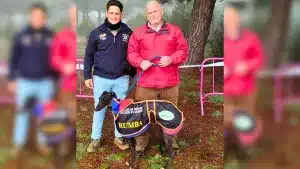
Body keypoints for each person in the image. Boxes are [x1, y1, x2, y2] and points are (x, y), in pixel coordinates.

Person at [127, 0, 188, 154]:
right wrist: (140, 62)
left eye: (155, 11)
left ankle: (170, 141)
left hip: (169, 83)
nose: (152, 15)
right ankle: (141, 142)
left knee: (170, 114)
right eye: (149, 13)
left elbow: (183, 51)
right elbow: (131, 53)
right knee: (142, 114)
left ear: (161, 11)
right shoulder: (138, 33)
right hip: (145, 83)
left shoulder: (175, 31)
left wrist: (171, 59)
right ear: (146, 15)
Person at [83, 0, 135, 152]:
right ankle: (95, 139)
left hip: (121, 79)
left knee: (119, 109)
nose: (114, 16)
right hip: (101, 78)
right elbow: (88, 55)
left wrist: (133, 71)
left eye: (117, 13)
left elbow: (132, 53)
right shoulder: (96, 33)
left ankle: (119, 137)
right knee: (99, 109)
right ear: (106, 13)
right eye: (111, 13)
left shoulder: (128, 32)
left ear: (121, 14)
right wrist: (87, 76)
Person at [7, 3, 56, 156]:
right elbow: (13, 58)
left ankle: (43, 143)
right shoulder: (21, 35)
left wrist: (55, 79)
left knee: (44, 114)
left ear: (45, 18)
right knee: (22, 114)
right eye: (35, 15)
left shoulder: (50, 35)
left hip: (45, 83)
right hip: (25, 82)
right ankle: (19, 144)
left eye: (41, 16)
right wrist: (11, 79)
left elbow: (55, 58)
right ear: (30, 17)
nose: (38, 19)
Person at [224, 4, 264, 127]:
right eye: (227, 19)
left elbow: (259, 58)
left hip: (246, 90)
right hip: (226, 91)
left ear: (238, 19)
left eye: (232, 18)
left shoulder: (251, 38)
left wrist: (248, 65)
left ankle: (244, 142)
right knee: (228, 123)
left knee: (246, 124)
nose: (230, 22)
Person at [50, 2, 76, 124]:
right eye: (72, 13)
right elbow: (54, 57)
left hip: (85, 83)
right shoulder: (62, 35)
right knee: (67, 117)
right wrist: (63, 66)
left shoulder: (91, 34)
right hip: (67, 85)